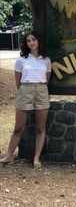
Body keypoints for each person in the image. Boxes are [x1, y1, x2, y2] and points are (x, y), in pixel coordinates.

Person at [0, 31, 51, 169]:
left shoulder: (46, 60)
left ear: (38, 41)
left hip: (41, 92)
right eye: (28, 41)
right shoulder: (21, 60)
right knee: (18, 127)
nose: (31, 43)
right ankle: (9, 155)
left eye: (33, 39)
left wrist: (38, 89)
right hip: (25, 91)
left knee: (40, 128)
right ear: (26, 44)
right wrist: (24, 91)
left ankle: (36, 158)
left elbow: (46, 79)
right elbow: (18, 80)